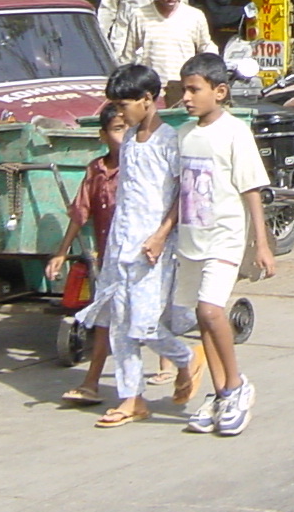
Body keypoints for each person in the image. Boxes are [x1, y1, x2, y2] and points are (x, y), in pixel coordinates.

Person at [73, 65, 200, 428]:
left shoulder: (169, 141)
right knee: (119, 324)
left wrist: (162, 235)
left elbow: (182, 195)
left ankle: (185, 357)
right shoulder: (129, 141)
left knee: (143, 325)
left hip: (153, 247)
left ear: (148, 101)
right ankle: (132, 398)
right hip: (120, 243)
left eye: (125, 104)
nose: (120, 112)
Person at [173, 52, 276, 436]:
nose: (186, 97)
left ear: (219, 92)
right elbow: (178, 192)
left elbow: (252, 191)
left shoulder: (235, 132)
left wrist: (261, 245)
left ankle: (236, 386)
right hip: (191, 241)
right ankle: (219, 394)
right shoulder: (185, 134)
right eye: (184, 89)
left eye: (194, 89)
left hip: (225, 239)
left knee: (212, 310)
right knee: (200, 317)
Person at [47, 103, 125, 405]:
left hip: (142, 257)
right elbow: (80, 213)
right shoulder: (97, 170)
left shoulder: (139, 166)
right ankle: (91, 383)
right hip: (109, 258)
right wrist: (61, 252)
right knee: (105, 319)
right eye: (117, 130)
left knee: (149, 319)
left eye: (128, 129)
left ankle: (176, 365)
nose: (124, 136)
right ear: (102, 136)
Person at [127, 0, 214, 102]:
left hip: (185, 94)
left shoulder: (195, 17)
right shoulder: (140, 16)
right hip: (151, 94)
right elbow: (128, 56)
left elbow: (206, 48)